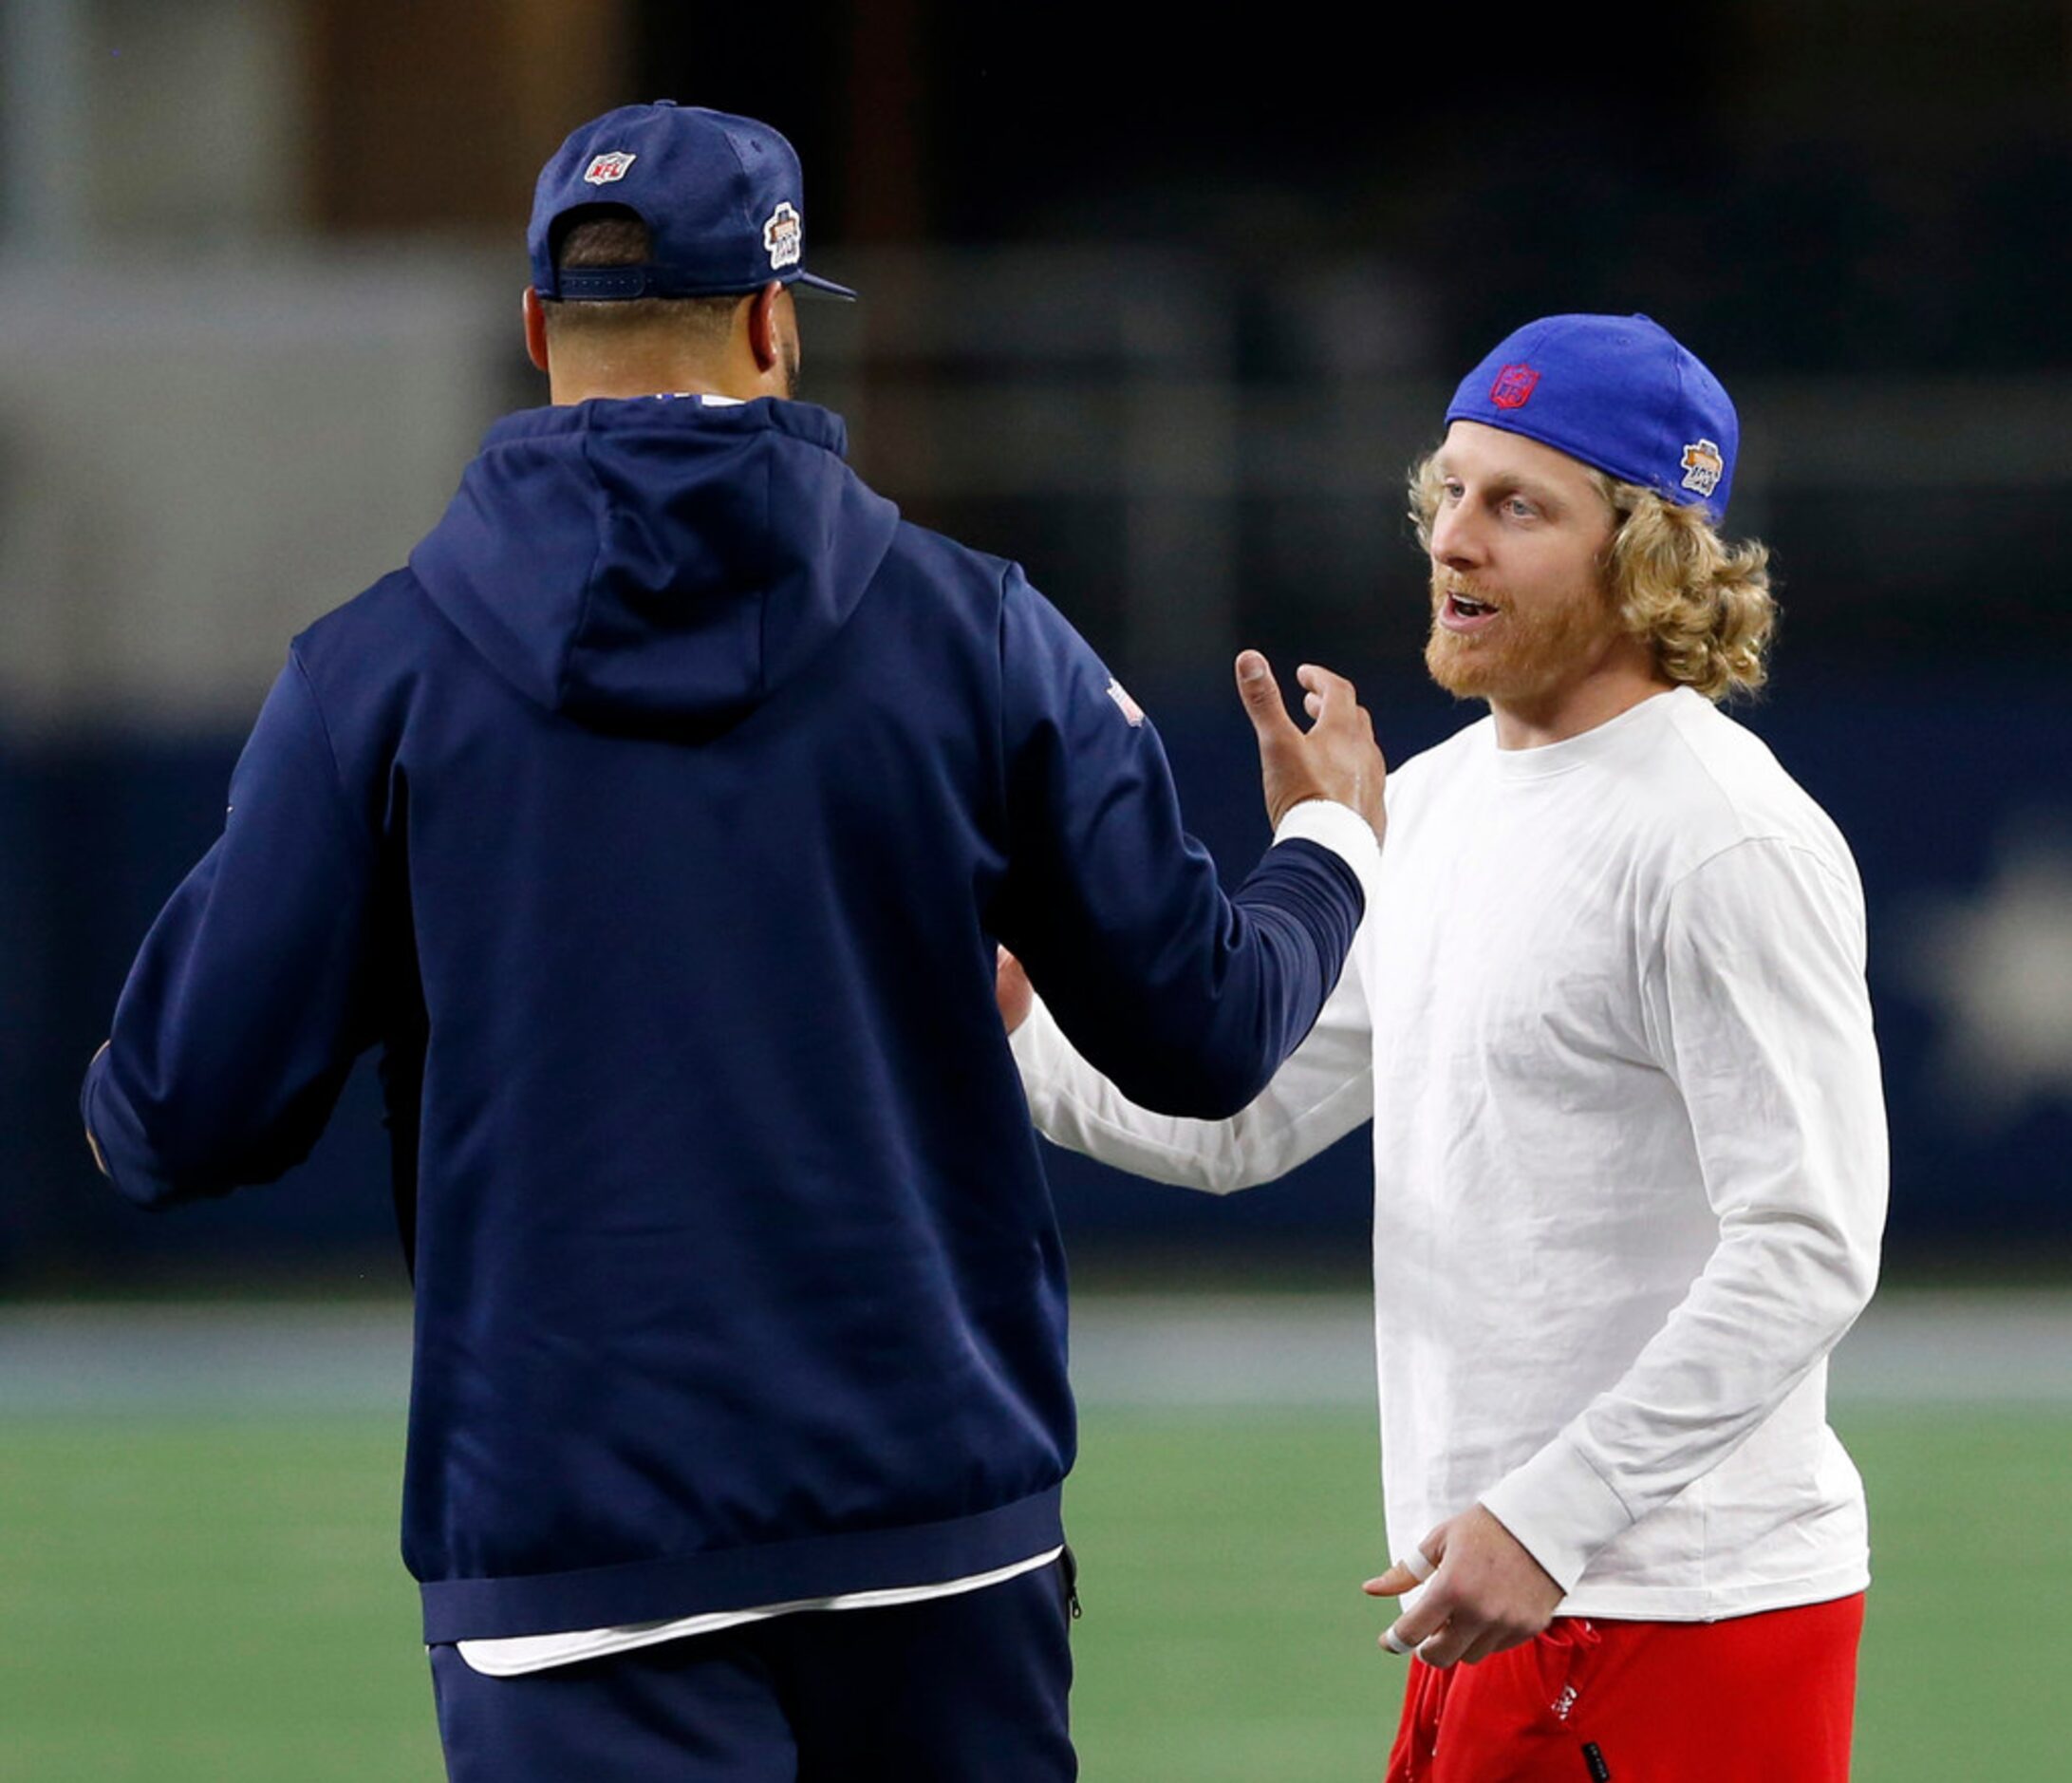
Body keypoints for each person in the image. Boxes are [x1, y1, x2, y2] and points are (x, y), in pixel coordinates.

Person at [79, 101, 1389, 1781]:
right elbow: (1204, 1032)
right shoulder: (980, 630)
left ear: (541, 329)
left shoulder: (376, 675)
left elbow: (171, 1120)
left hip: (572, 1553)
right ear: (777, 322)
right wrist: (1330, 847)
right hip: (939, 1536)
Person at [1003, 314, 1887, 1781]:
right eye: (1447, 493)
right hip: (1503, 1604)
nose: (1452, 540)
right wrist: (1021, 1019)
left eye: (1515, 505)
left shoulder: (1724, 834)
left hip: (1676, 1614)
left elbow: (1808, 1239)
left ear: (1648, 556)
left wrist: (1550, 1512)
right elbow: (1245, 1121)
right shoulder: (1441, 799)